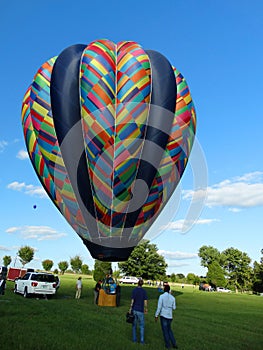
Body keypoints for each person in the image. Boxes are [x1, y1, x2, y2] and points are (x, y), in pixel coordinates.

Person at [155, 284, 178, 349]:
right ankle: (174, 343)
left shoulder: (161, 296)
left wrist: (156, 315)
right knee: (169, 330)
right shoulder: (173, 298)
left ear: (164, 289)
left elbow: (159, 307)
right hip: (170, 316)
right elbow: (174, 308)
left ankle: (168, 345)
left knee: (165, 331)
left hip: (163, 315)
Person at [130, 279, 148, 344]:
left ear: (137, 283)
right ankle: (142, 341)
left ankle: (134, 340)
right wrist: (146, 308)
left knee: (134, 325)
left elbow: (132, 300)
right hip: (140, 310)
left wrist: (130, 308)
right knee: (142, 326)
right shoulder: (144, 291)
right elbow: (145, 301)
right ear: (142, 284)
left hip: (134, 309)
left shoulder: (134, 290)